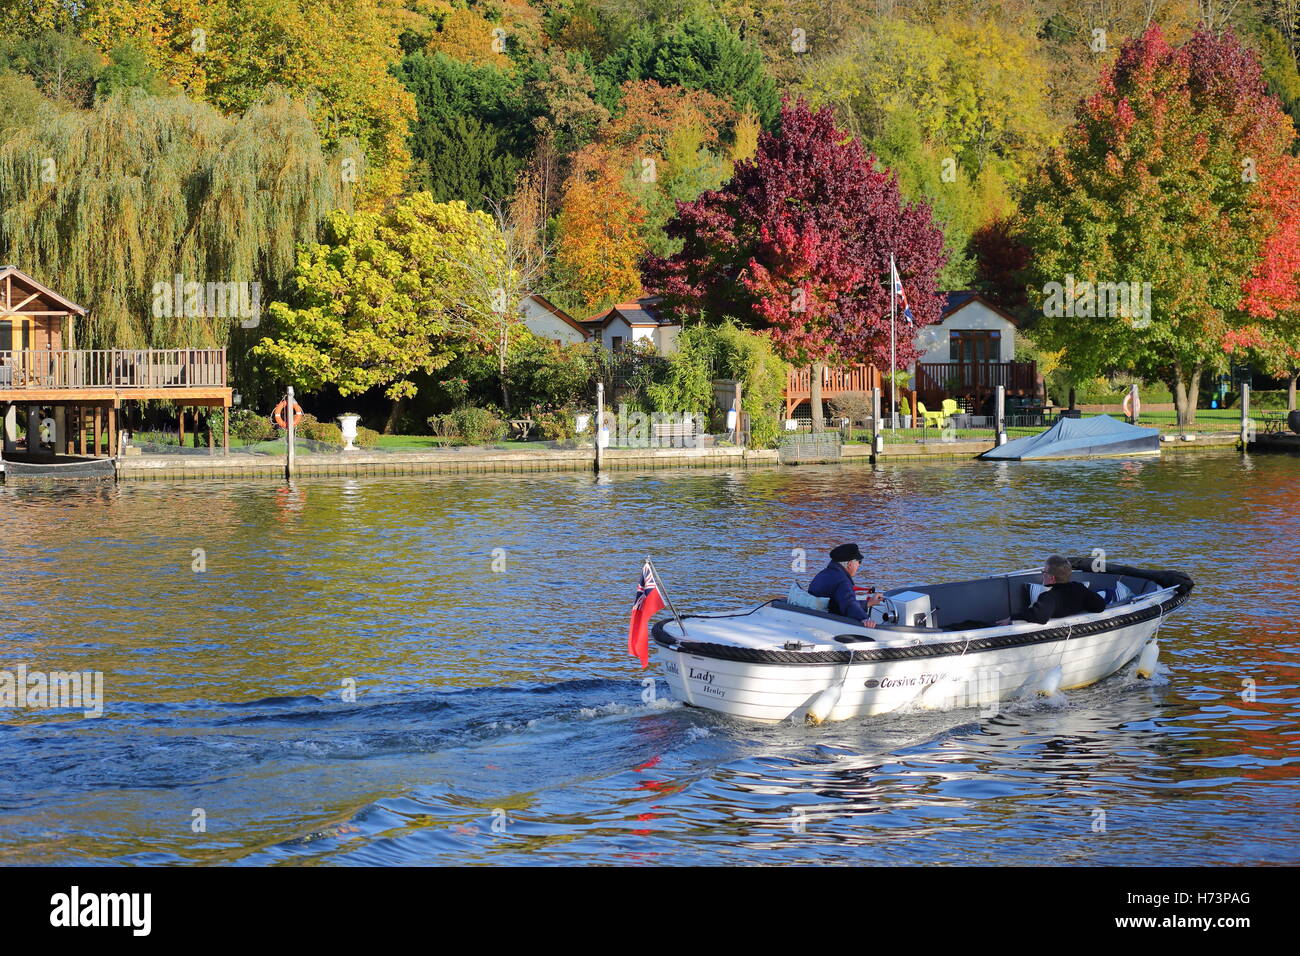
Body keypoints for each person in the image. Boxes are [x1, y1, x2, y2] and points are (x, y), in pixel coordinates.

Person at [997, 555, 1104, 625]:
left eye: (1044, 572)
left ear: (1051, 578)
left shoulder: (1049, 597)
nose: (1043, 575)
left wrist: (1011, 618)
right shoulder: (1080, 589)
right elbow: (1100, 606)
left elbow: (1040, 616)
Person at [808, 543, 883, 626]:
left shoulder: (823, 574)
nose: (859, 565)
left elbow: (841, 602)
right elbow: (848, 604)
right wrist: (864, 619)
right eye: (859, 561)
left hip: (815, 619)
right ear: (850, 564)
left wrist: (868, 603)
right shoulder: (843, 581)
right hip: (828, 625)